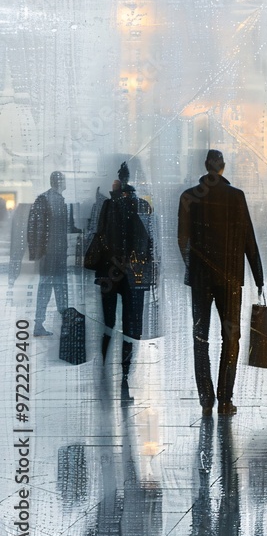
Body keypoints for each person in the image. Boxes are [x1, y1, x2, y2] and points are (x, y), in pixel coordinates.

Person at [178, 150, 264, 416]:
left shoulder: (189, 197)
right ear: (223, 167)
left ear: (205, 167)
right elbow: (248, 237)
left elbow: (183, 239)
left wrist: (192, 266)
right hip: (229, 279)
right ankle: (226, 400)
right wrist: (259, 277)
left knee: (200, 337)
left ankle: (206, 399)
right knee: (231, 337)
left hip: (201, 279)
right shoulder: (236, 197)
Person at [91, 162, 154, 385]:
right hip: (133, 274)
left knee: (108, 322)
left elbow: (100, 234)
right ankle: (125, 371)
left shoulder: (109, 205)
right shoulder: (142, 206)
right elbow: (148, 242)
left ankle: (103, 363)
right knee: (130, 325)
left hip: (110, 271)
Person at [27, 171, 81, 335]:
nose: (66, 183)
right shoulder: (52, 200)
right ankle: (46, 323)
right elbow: (39, 227)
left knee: (52, 286)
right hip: (53, 253)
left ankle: (41, 323)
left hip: (50, 253)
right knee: (55, 286)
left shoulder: (46, 199)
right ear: (59, 182)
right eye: (64, 181)